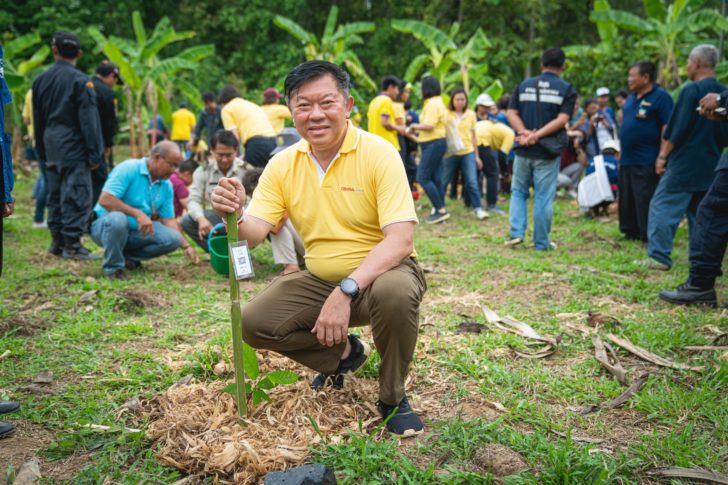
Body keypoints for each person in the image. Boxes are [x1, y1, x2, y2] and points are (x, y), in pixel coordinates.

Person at [210, 60, 427, 436]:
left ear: (348, 104)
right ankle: (344, 355)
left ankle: (392, 397)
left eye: (326, 102)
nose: (315, 115)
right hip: (321, 278)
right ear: (290, 110)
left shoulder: (380, 153)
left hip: (384, 274)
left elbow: (400, 240)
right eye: (303, 105)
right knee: (253, 321)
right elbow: (254, 235)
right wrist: (233, 214)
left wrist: (346, 291)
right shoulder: (282, 163)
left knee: (395, 293)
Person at [641, 45, 727, 271]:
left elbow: (676, 129)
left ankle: (658, 257)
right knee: (700, 214)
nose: (687, 67)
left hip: (684, 162)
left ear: (696, 63)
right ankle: (701, 261)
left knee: (662, 206)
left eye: (688, 63)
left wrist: (662, 156)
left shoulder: (691, 91)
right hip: (711, 162)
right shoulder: (722, 94)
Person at [32, 31, 104, 260]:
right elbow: (89, 121)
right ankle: (72, 245)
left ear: (54, 51)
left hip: (50, 144)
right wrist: (95, 153)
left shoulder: (40, 81)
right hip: (74, 147)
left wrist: (41, 150)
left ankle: (57, 243)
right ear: (79, 54)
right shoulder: (81, 81)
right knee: (77, 194)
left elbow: (37, 118)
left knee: (55, 194)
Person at [659, 89, 728, 307]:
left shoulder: (690, 92)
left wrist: (721, 99)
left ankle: (700, 285)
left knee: (714, 211)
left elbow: (676, 130)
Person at [90, 141, 199, 280]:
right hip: (106, 227)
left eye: (177, 166)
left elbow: (169, 219)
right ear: (157, 157)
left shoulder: (166, 185)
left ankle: (126, 257)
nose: (174, 170)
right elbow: (105, 199)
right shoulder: (129, 168)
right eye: (172, 165)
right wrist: (137, 213)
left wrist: (186, 246)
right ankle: (113, 268)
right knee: (118, 219)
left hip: (136, 231)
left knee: (172, 239)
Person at [505, 47, 577, 250]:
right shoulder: (566, 88)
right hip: (547, 151)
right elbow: (563, 119)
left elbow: (511, 112)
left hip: (523, 149)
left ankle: (516, 233)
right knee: (543, 196)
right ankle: (542, 242)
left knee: (518, 191)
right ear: (563, 66)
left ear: (541, 64)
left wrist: (525, 134)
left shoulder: (524, 85)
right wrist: (536, 136)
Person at [618, 61, 674, 242]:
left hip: (647, 158)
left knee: (644, 197)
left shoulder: (661, 97)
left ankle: (647, 234)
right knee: (627, 197)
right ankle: (630, 230)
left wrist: (662, 156)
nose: (629, 79)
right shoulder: (632, 98)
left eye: (632, 75)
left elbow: (667, 126)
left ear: (645, 77)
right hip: (627, 158)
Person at [181, 130, 247, 250]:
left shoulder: (245, 169)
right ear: (211, 151)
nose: (225, 159)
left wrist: (241, 217)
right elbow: (193, 200)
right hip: (216, 219)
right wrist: (201, 219)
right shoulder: (203, 171)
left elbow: (254, 201)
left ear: (236, 151)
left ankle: (242, 250)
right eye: (220, 154)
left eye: (229, 154)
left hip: (243, 217)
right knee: (187, 221)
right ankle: (218, 251)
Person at [242, 167, 305, 275]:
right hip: (305, 251)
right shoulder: (255, 204)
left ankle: (291, 266)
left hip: (312, 248)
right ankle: (295, 264)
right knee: (275, 225)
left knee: (276, 226)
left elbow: (275, 229)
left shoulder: (282, 194)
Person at [408, 76, 450, 223]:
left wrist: (413, 126)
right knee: (436, 177)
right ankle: (442, 208)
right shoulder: (438, 102)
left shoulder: (432, 103)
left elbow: (429, 125)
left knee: (422, 177)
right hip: (436, 143)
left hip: (433, 143)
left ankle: (439, 209)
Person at [442, 88, 488, 220]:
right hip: (450, 153)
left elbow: (474, 136)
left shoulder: (471, 114)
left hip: (468, 151)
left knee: (472, 181)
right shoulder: (447, 114)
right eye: (457, 99)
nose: (460, 102)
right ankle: (439, 207)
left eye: (463, 99)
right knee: (444, 181)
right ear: (452, 100)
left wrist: (477, 156)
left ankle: (478, 208)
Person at [219, 85, 277, 167]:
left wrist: (236, 158)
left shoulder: (227, 109)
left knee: (254, 177)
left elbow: (234, 138)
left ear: (222, 100)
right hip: (274, 142)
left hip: (257, 144)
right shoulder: (251, 104)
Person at [91, 61, 122, 204]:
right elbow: (109, 122)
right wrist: (108, 144)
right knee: (99, 180)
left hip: (74, 142)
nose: (114, 84)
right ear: (111, 76)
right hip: (98, 142)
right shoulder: (107, 92)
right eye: (115, 80)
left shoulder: (82, 84)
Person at [475, 118, 515, 214]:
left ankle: (470, 202)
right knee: (493, 173)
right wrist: (505, 173)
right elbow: (502, 155)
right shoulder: (511, 135)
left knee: (475, 172)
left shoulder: (502, 128)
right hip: (482, 140)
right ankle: (491, 205)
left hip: (470, 137)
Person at [367, 76, 404, 152]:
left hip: (375, 145)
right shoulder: (386, 101)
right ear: (390, 87)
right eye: (396, 89)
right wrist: (399, 128)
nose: (397, 92)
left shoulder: (373, 101)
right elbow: (384, 123)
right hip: (388, 145)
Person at [395, 82, 417, 195]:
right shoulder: (398, 106)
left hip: (403, 142)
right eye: (406, 92)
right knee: (402, 169)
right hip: (399, 141)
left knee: (411, 168)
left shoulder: (399, 106)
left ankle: (407, 193)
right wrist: (416, 139)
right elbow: (402, 129)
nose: (407, 94)